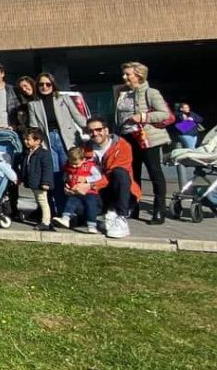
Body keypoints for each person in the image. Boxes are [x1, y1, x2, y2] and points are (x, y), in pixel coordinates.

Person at [115, 61, 171, 225]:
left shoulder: (151, 92)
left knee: (154, 172)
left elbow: (165, 114)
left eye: (128, 74)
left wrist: (143, 117)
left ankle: (159, 210)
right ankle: (133, 206)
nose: (124, 77)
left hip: (147, 138)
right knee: (132, 173)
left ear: (138, 75)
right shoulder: (123, 93)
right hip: (127, 137)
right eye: (124, 74)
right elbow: (119, 117)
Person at [27, 72, 88, 213]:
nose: (44, 87)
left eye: (48, 84)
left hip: (66, 138)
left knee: (71, 173)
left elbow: (78, 117)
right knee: (55, 176)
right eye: (41, 84)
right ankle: (61, 211)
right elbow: (34, 127)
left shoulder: (63, 98)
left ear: (53, 85)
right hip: (48, 141)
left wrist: (92, 130)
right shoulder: (33, 104)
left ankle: (77, 210)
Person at [83, 117, 137, 239]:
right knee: (80, 212)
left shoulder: (122, 146)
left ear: (106, 130)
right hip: (97, 191)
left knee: (119, 173)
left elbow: (110, 176)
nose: (95, 133)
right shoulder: (86, 148)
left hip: (119, 189)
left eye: (98, 129)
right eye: (91, 131)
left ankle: (121, 217)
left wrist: (90, 185)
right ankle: (105, 215)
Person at [53, 147, 104, 233]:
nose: (74, 166)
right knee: (71, 202)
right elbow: (65, 175)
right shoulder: (68, 166)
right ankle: (65, 218)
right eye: (71, 163)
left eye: (76, 164)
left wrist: (86, 179)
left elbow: (98, 176)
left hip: (89, 192)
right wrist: (66, 181)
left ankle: (92, 225)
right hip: (75, 191)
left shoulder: (89, 166)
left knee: (91, 205)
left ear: (83, 160)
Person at [21, 128, 54, 231]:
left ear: (38, 141)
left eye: (28, 139)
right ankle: (43, 219)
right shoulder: (28, 152)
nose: (25, 141)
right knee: (39, 201)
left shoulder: (43, 154)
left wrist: (46, 182)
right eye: (25, 139)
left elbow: (47, 169)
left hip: (40, 183)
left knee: (43, 201)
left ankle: (46, 222)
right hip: (34, 182)